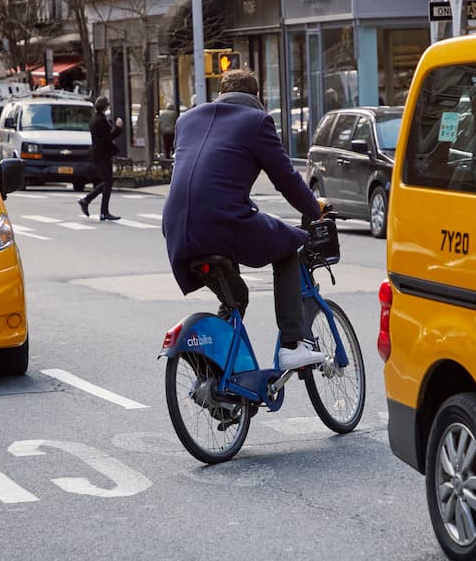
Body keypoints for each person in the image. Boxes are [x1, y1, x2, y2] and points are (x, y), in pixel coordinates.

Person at [162, 67, 326, 371]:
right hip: (222, 222)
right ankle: (292, 345)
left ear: (221, 93)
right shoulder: (257, 122)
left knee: (236, 296)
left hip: (177, 228)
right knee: (289, 247)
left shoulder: (187, 120)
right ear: (257, 97)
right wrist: (315, 210)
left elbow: (205, 174)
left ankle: (215, 375)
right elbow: (286, 178)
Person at [79, 96, 124, 221]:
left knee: (107, 181)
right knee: (108, 181)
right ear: (105, 107)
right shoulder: (100, 120)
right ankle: (100, 209)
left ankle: (89, 202)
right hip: (102, 154)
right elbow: (108, 137)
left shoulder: (95, 119)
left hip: (98, 154)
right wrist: (118, 127)